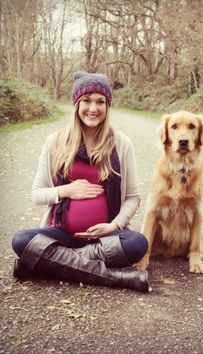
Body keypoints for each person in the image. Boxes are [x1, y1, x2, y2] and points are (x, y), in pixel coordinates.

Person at [12, 71, 149, 292]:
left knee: (137, 244)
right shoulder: (56, 142)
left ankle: (48, 263)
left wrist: (113, 226)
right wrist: (66, 190)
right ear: (77, 103)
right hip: (62, 234)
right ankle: (119, 278)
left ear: (107, 106)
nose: (93, 108)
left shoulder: (121, 144)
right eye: (87, 100)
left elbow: (133, 197)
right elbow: (37, 194)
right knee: (21, 240)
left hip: (105, 238)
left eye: (100, 102)